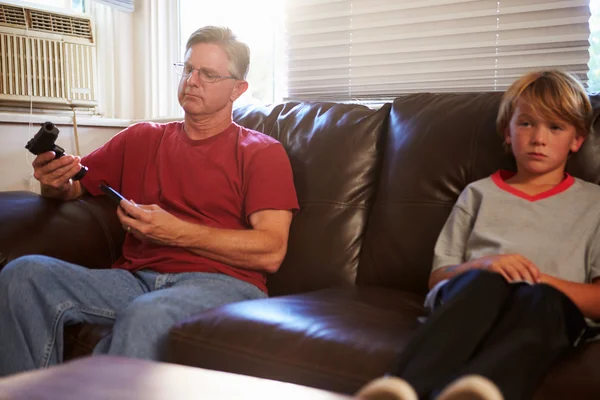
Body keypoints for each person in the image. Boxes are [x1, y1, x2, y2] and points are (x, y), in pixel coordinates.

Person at [0, 26, 298, 376]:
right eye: (188, 69)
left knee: (147, 314)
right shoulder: (141, 138)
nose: (192, 80)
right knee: (23, 276)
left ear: (238, 89)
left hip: (223, 285)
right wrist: (55, 180)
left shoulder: (261, 152)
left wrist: (177, 232)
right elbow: (73, 188)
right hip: (136, 279)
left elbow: (271, 249)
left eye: (209, 74)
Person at [355, 70, 600, 400]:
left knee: (543, 301)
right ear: (508, 132)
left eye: (555, 127)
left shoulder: (594, 204)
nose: (539, 138)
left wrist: (539, 280)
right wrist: (484, 265)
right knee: (483, 283)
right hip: (472, 299)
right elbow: (438, 278)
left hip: (547, 310)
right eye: (526, 123)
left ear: (577, 139)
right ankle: (400, 388)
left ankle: (480, 392)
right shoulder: (477, 194)